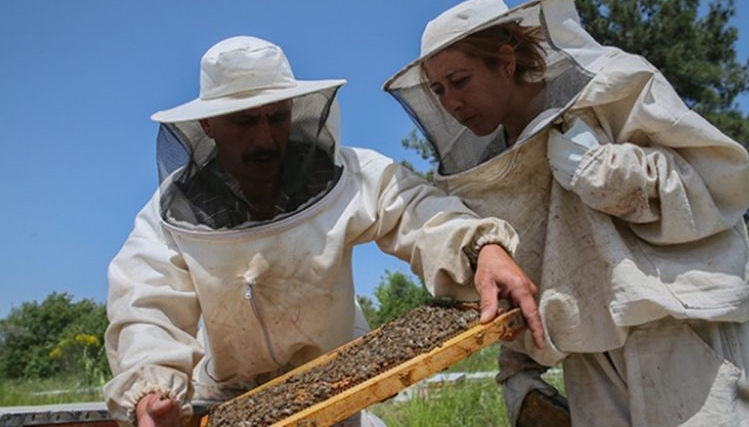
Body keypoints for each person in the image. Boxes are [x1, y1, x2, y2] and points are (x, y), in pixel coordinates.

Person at [103, 35, 545, 427]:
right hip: (224, 402)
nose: (264, 138)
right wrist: (152, 388)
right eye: (243, 122)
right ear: (208, 125)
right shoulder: (168, 216)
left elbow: (414, 208)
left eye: (276, 117)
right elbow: (146, 303)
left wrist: (480, 246)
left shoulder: (347, 175)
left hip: (336, 394)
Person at [384, 0, 749, 425]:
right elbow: (533, 268)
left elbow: (718, 185)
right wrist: (519, 367)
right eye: (438, 89)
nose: (450, 102)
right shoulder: (491, 166)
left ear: (506, 61)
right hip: (588, 357)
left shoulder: (612, 86)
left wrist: (608, 171)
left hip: (683, 332)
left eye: (459, 80)